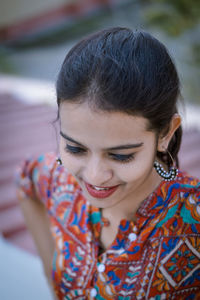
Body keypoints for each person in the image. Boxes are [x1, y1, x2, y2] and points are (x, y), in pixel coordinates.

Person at [16, 27, 200, 300]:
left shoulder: (194, 221)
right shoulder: (58, 178)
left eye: (121, 155)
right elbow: (26, 182)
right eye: (75, 148)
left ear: (165, 134)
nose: (94, 176)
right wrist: (52, 276)